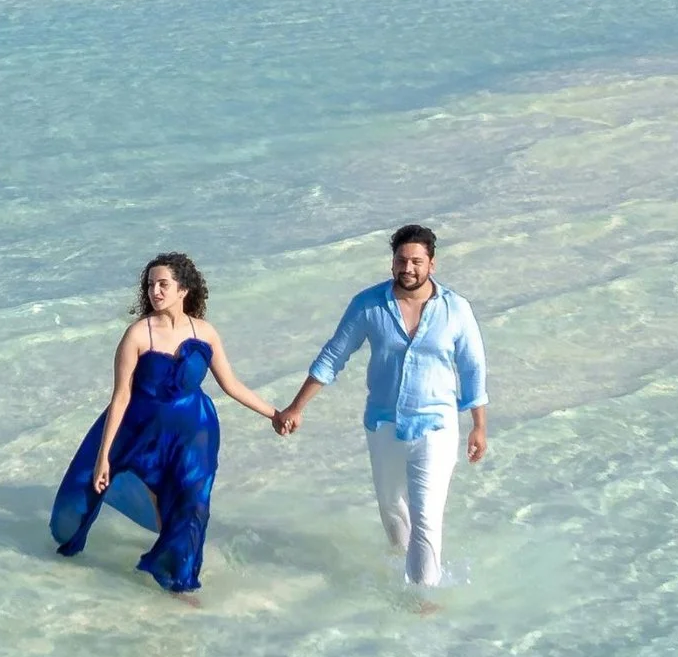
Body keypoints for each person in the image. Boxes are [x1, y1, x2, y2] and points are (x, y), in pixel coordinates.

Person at [50, 253, 278, 598]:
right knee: (102, 495)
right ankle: (169, 569)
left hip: (194, 431)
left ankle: (179, 583)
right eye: (151, 285)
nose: (155, 291)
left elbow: (231, 385)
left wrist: (275, 414)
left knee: (194, 501)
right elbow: (121, 398)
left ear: (183, 289)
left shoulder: (205, 332)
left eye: (163, 284)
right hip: (141, 430)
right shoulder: (138, 335)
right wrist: (104, 456)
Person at [276, 224, 488, 588]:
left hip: (436, 424)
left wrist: (479, 426)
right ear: (392, 263)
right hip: (383, 423)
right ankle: (407, 572)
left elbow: (472, 367)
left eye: (417, 261)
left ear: (432, 264)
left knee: (426, 516)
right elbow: (333, 356)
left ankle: (422, 598)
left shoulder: (456, 309)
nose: (408, 268)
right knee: (392, 510)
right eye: (401, 260)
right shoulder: (368, 305)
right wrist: (297, 407)